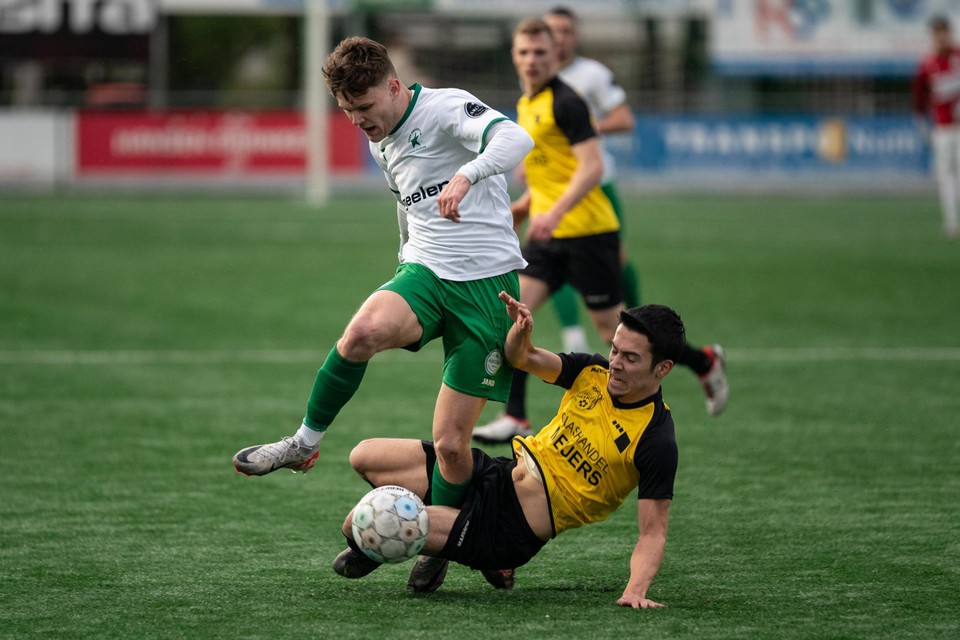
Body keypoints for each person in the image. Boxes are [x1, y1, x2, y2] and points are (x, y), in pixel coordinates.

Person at [231, 36, 534, 588]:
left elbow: (517, 138)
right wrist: (403, 261)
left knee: (450, 445)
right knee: (360, 333)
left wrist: (470, 174)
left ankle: (441, 546)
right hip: (425, 272)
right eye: (347, 113)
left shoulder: (444, 109)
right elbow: (405, 202)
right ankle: (303, 442)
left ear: (394, 86)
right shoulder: (380, 138)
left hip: (487, 289)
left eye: (365, 108)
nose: (358, 122)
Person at [332, 291, 686, 608]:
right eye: (615, 350)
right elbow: (523, 358)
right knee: (363, 455)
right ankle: (438, 543)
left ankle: (463, 548)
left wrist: (636, 590)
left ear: (663, 369)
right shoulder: (592, 371)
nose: (616, 364)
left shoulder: (655, 439)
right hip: (496, 474)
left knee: (360, 523)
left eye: (631, 358)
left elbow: (653, 531)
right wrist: (521, 331)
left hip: (510, 528)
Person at [473, 18, 728, 446]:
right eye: (524, 52)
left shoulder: (568, 102)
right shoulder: (527, 102)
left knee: (616, 337)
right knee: (511, 318)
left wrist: (553, 211)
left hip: (590, 235)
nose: (532, 60)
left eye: (541, 53)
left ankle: (703, 360)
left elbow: (590, 168)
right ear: (514, 57)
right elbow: (551, 171)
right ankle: (515, 416)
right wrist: (525, 206)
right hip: (547, 235)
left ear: (557, 55)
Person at [543, 5, 642, 355]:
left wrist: (582, 129)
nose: (559, 38)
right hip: (552, 185)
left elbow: (625, 119)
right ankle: (572, 335)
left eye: (566, 31)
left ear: (576, 35)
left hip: (596, 183)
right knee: (552, 259)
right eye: (552, 31)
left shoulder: (593, 74)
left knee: (617, 258)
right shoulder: (536, 75)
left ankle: (640, 325)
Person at [912, 14, 960, 239]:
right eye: (936, 32)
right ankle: (951, 220)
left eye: (943, 31)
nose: (940, 36)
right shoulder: (927, 63)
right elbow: (919, 95)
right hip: (943, 128)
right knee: (946, 175)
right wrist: (920, 121)